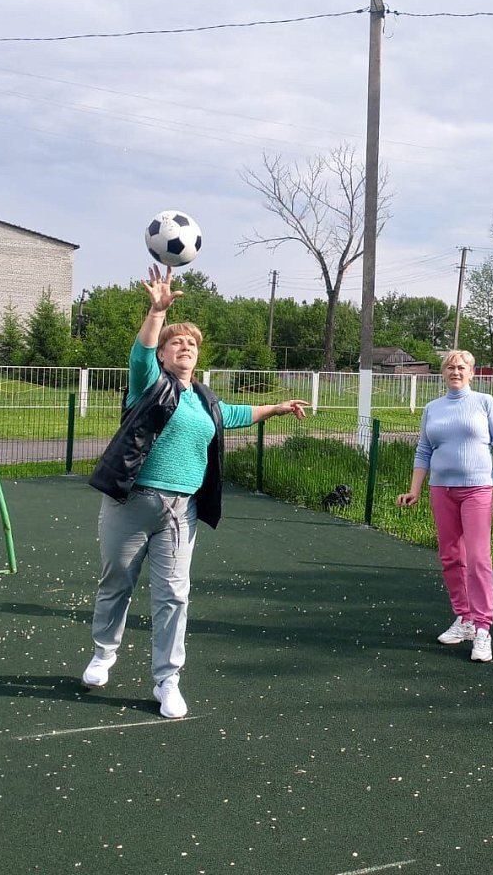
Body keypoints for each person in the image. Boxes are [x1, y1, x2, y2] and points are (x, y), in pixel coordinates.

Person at [82, 266, 307, 718]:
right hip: (131, 501)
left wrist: (278, 407)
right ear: (165, 356)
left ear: (198, 356)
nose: (185, 347)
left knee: (173, 595)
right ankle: (104, 652)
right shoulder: (149, 385)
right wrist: (156, 313)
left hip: (180, 510)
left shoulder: (205, 400)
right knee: (116, 581)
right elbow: (141, 353)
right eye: (176, 343)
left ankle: (167, 680)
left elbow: (236, 414)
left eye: (191, 344)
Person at [396, 349, 493, 663]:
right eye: (450, 367)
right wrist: (414, 489)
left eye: (461, 367)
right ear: (443, 373)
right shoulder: (432, 408)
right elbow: (423, 450)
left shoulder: (484, 402)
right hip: (442, 489)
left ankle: (482, 629)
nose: (455, 372)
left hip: (477, 489)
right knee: (451, 556)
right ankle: (464, 618)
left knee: (478, 558)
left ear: (472, 372)